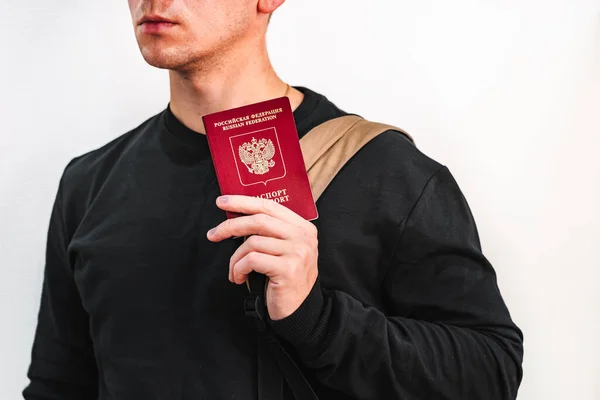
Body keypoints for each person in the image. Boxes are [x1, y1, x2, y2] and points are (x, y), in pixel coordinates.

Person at [23, 1, 524, 399]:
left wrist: (318, 318)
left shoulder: (382, 170)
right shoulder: (88, 182)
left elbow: (490, 373)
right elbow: (58, 386)